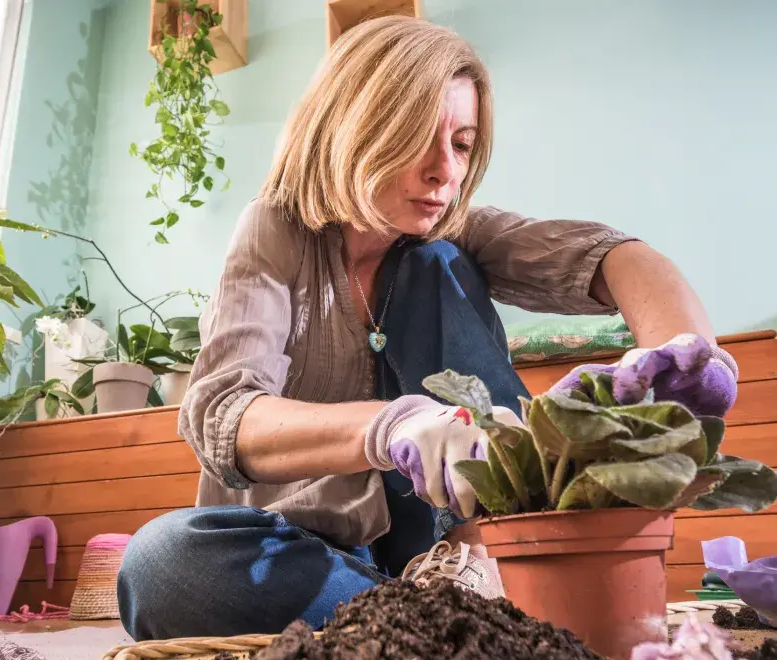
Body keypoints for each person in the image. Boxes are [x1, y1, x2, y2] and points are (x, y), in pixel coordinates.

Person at [116, 16, 738, 641]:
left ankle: (466, 590)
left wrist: (686, 355)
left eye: (462, 144)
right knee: (161, 566)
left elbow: (620, 259)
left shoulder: (450, 229)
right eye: (416, 137)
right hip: (313, 554)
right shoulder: (274, 231)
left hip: (459, 548)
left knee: (435, 259)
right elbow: (224, 415)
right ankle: (459, 625)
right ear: (354, 128)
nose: (445, 170)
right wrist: (392, 426)